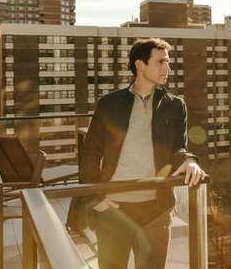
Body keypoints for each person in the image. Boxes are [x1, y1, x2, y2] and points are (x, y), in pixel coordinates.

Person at [78, 37, 205, 269]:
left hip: (156, 210)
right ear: (140, 65)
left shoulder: (175, 105)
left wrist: (189, 161)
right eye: (161, 62)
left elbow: (177, 147)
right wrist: (97, 198)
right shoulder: (109, 103)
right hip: (114, 207)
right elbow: (90, 154)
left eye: (168, 62)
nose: (168, 68)